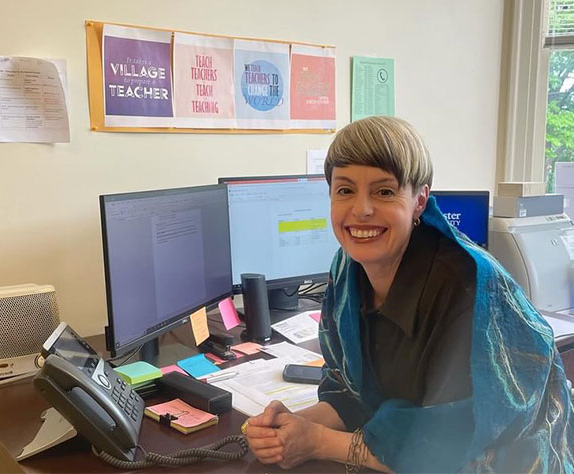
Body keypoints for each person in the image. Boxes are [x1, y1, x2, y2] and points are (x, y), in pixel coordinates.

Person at [245, 116, 574, 472]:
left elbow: (454, 445)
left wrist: (319, 442)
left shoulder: (466, 287)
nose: (361, 209)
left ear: (419, 201)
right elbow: (351, 390)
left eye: (384, 191)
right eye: (345, 190)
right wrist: (288, 427)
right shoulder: (346, 267)